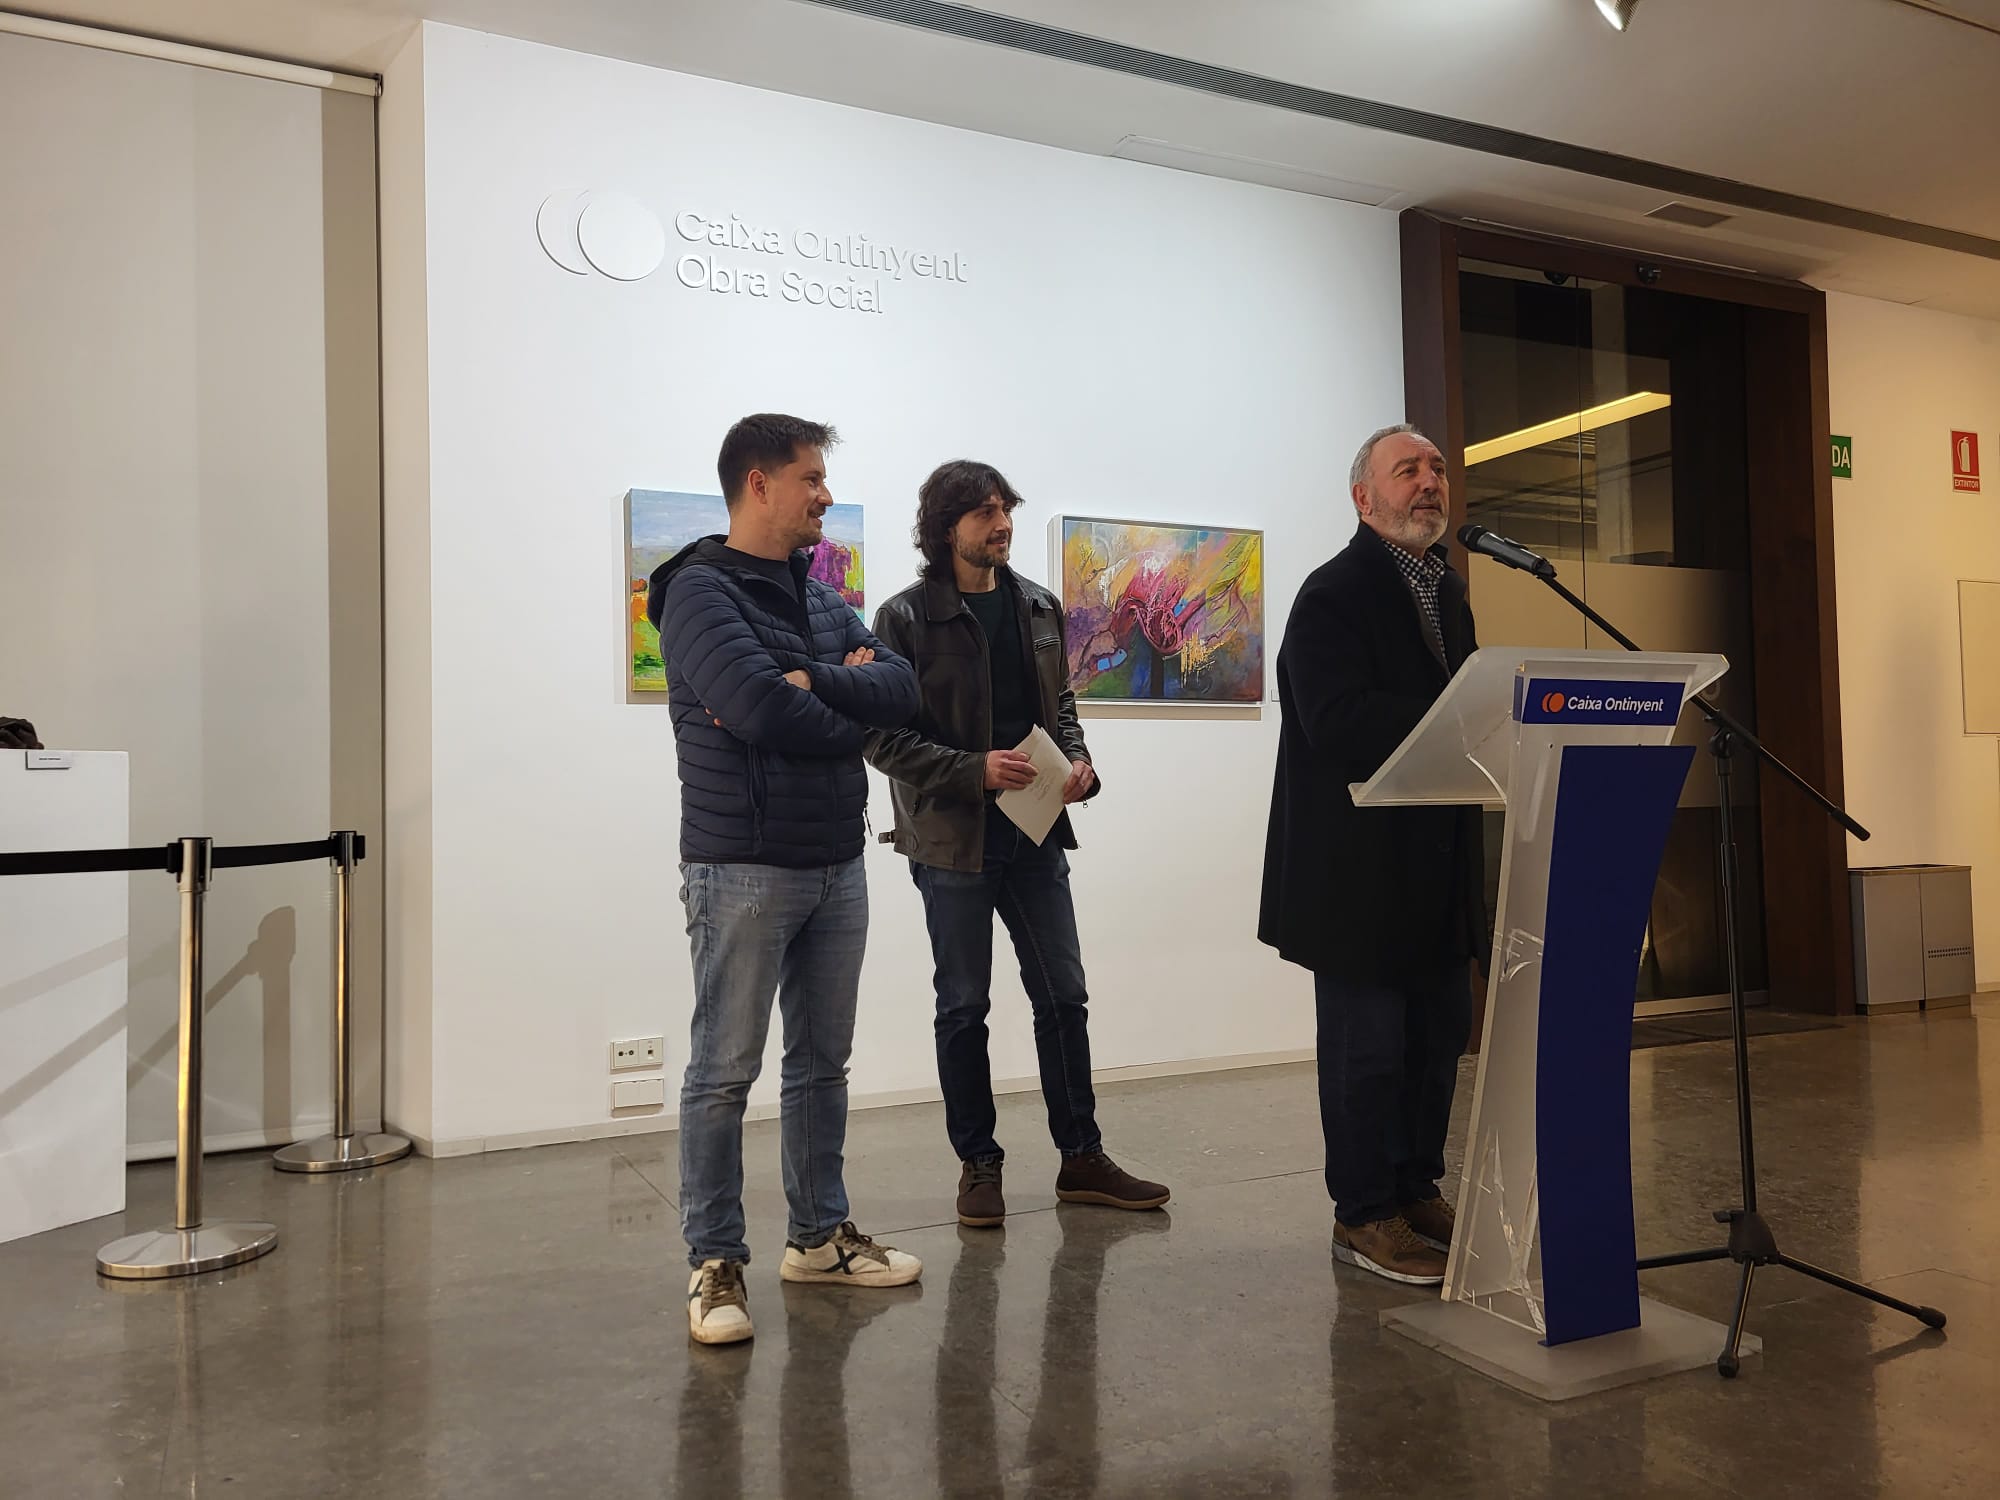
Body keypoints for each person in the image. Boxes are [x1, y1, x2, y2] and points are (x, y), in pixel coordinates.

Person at [647, 413, 923, 1345]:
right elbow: (761, 710)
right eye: (811, 478)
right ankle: (715, 1263)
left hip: (837, 861)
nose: (825, 496)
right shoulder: (697, 592)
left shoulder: (819, 596)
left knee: (820, 1066)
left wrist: (814, 680)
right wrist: (829, 690)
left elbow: (903, 689)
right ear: (758, 484)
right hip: (741, 867)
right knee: (724, 1072)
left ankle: (817, 1238)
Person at [866, 460, 1170, 1228]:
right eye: (985, 512)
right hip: (951, 841)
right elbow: (882, 738)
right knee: (964, 1007)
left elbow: (1061, 708)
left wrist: (1080, 766)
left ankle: (1082, 1158)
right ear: (947, 528)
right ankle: (979, 1164)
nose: (1002, 524)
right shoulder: (905, 618)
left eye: (1006, 509)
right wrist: (973, 770)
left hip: (1035, 833)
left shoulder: (1038, 605)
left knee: (1063, 996)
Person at [1259, 424, 1485, 1286]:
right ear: (1364, 498)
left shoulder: (1449, 590)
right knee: (1369, 1050)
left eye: (1437, 469)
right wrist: (1457, 716)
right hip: (1357, 872)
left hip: (1437, 864)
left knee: (1436, 1041)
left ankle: (1413, 1187)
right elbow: (1336, 722)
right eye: (1408, 470)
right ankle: (1362, 1212)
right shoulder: (1334, 592)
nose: (1429, 482)